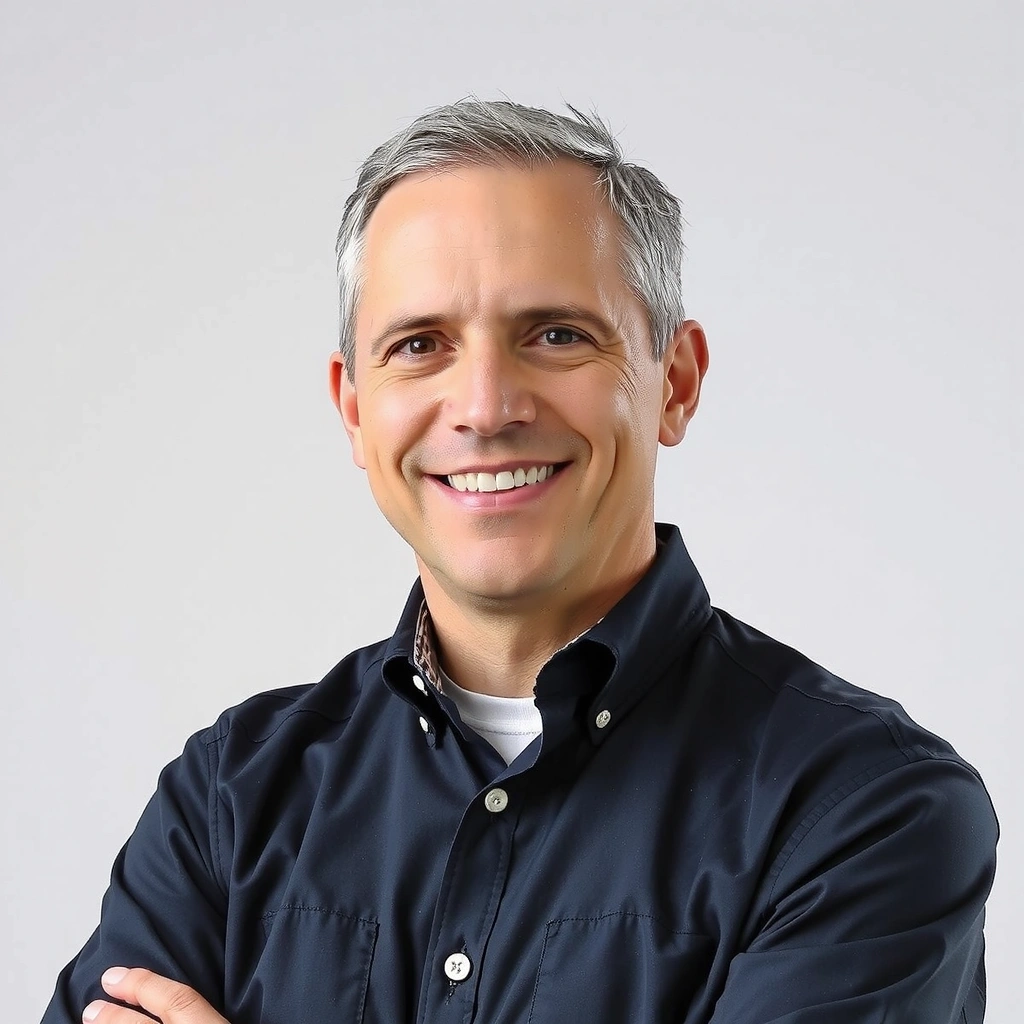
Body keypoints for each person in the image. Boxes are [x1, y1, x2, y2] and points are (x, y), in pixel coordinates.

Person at [44, 99, 998, 1024]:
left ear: (675, 381)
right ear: (355, 411)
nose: (487, 406)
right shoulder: (229, 800)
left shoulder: (865, 807)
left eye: (556, 335)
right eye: (421, 345)